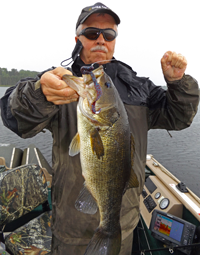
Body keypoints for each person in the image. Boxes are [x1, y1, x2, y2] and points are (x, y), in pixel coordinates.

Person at [0, 2, 199, 255]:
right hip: (70, 229)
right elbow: (16, 119)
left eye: (109, 34)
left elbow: (179, 118)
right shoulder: (58, 81)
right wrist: (39, 94)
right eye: (92, 33)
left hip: (123, 225)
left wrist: (179, 84)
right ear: (78, 38)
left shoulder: (138, 87)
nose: (101, 40)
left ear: (115, 39)